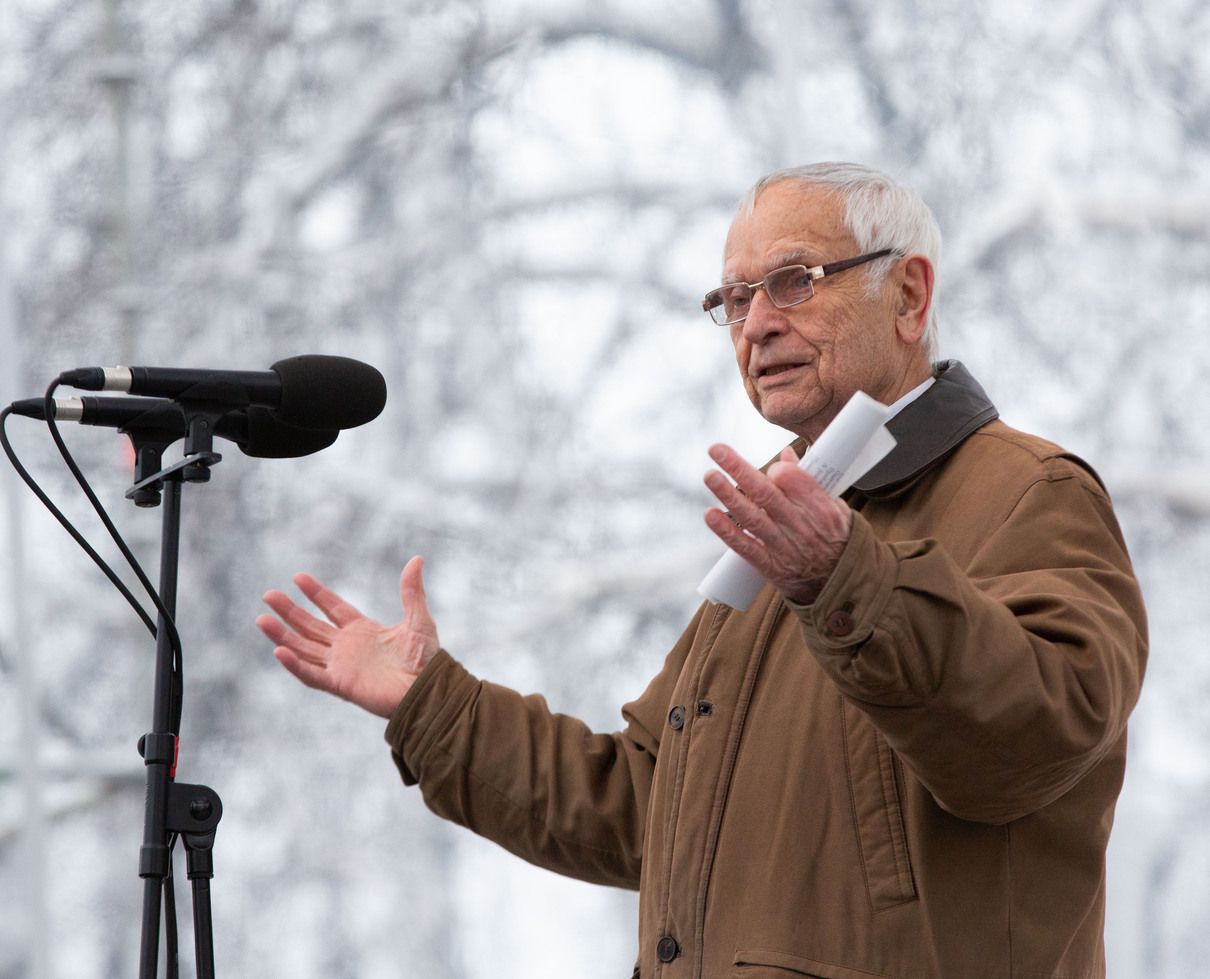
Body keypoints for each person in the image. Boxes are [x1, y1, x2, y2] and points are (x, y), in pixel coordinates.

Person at [257, 163, 1147, 979]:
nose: (756, 324)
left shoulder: (1030, 492)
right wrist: (433, 706)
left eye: (795, 281)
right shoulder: (789, 517)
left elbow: (1037, 739)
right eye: (734, 298)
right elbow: (647, 804)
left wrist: (845, 582)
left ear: (908, 295)